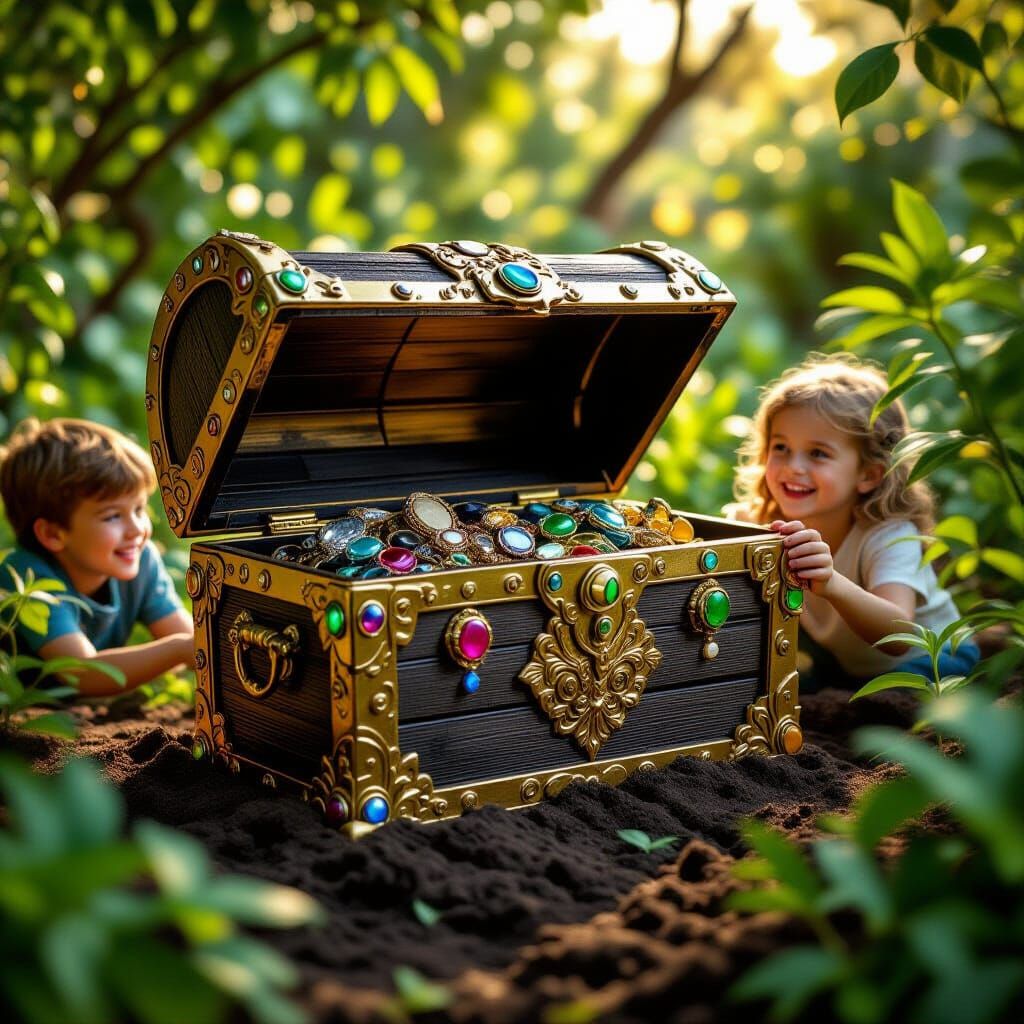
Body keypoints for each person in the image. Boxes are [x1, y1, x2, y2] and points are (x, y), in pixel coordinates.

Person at [725, 353, 979, 692]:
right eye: (781, 446)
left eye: (818, 453)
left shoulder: (888, 535)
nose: (793, 466)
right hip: (845, 662)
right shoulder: (762, 523)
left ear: (868, 474)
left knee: (890, 698)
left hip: (931, 660)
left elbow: (900, 637)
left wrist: (832, 583)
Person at [0, 417, 194, 696]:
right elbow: (82, 673)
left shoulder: (141, 559)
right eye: (112, 516)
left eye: (139, 509)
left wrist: (188, 647)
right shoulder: (25, 576)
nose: (137, 530)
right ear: (52, 534)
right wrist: (177, 650)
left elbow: (194, 641)